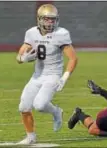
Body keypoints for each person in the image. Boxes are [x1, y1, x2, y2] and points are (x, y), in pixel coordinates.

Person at [16, 4, 78, 144]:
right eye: (47, 19)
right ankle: (31, 137)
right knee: (24, 107)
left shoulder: (61, 34)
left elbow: (73, 58)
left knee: (40, 105)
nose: (50, 22)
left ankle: (56, 111)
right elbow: (19, 56)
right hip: (37, 76)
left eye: (53, 19)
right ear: (39, 19)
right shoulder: (31, 33)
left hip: (53, 75)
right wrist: (23, 58)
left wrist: (64, 78)